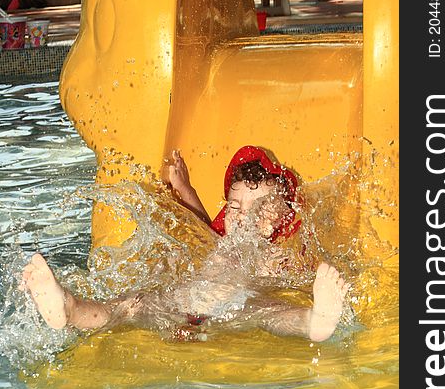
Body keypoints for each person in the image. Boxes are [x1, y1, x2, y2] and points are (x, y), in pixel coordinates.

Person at [20, 146, 350, 342]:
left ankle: (314, 321)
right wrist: (185, 189)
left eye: (258, 209)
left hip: (238, 308)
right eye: (235, 207)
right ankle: (69, 307)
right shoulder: (222, 239)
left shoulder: (276, 253)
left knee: (270, 312)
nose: (242, 217)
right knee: (130, 303)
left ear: (279, 215)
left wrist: (292, 272)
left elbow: (290, 277)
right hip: (184, 306)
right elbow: (199, 227)